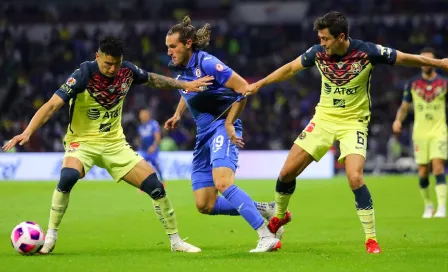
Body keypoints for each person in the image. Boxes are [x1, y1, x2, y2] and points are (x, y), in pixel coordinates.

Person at [244, 11, 448, 254]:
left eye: (325, 38)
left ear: (341, 37)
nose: (322, 43)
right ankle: (279, 217)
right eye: (319, 38)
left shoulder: (367, 52)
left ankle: (371, 239)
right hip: (323, 119)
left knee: (354, 177)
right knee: (287, 172)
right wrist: (260, 83)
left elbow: (403, 58)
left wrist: (438, 63)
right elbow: (290, 69)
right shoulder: (317, 53)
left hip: (354, 122)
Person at [2, 35, 214, 254]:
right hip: (82, 143)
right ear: (97, 56)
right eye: (107, 64)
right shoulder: (83, 74)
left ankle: (176, 241)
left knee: (156, 187)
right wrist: (27, 132)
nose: (112, 69)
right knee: (67, 177)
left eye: (116, 63)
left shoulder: (127, 71)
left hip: (115, 145)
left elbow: (153, 79)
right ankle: (51, 236)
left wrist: (186, 84)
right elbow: (52, 105)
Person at [164, 16, 282, 253]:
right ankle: (263, 209)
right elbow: (187, 89)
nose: (169, 52)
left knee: (223, 183)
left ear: (187, 43)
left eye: (173, 46)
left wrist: (229, 123)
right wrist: (178, 114)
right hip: (203, 134)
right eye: (167, 47)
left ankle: (266, 235)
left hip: (221, 127)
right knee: (204, 204)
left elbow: (243, 89)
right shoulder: (178, 68)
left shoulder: (208, 63)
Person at [393, 47, 447, 219]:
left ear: (434, 62)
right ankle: (428, 205)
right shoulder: (413, 84)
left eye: (428, 59)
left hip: (439, 131)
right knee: (423, 172)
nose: (424, 63)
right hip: (420, 133)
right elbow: (404, 106)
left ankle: (442, 208)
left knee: (438, 167)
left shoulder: (445, 83)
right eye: (422, 59)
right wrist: (398, 120)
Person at [137, 108, 164, 183]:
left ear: (147, 115)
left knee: (156, 165)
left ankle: (162, 181)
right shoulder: (140, 126)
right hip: (143, 150)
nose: (142, 116)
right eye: (141, 114)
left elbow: (158, 137)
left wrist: (154, 146)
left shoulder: (153, 124)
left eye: (143, 114)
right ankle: (143, 184)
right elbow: (140, 139)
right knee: (141, 166)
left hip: (153, 149)